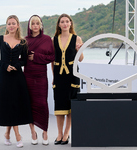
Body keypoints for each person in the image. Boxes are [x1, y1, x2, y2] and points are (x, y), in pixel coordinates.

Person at [0, 15, 33, 148]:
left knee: (15, 104)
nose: (11, 26)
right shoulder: (0, 39)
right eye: (9, 24)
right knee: (7, 103)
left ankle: (8, 133)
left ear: (18, 25)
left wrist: (17, 66)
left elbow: (24, 60)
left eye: (13, 23)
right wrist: (4, 65)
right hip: (3, 75)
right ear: (6, 26)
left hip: (17, 76)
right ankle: (18, 136)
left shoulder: (23, 42)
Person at [51, 13, 84, 145]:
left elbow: (80, 59)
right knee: (59, 106)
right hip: (59, 76)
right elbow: (52, 61)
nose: (65, 24)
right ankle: (59, 133)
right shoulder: (53, 39)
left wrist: (79, 51)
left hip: (73, 75)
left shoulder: (77, 38)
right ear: (59, 24)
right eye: (62, 21)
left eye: (67, 21)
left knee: (71, 106)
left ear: (70, 23)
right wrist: (53, 77)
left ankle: (66, 133)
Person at [24, 15, 55, 145]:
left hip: (41, 76)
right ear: (30, 26)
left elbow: (52, 56)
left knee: (42, 104)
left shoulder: (47, 39)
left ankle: (45, 131)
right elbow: (20, 58)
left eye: (37, 23)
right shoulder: (24, 40)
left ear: (41, 25)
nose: (35, 26)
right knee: (29, 104)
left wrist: (36, 56)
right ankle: (32, 132)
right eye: (33, 24)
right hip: (28, 75)